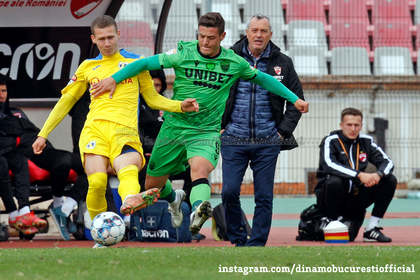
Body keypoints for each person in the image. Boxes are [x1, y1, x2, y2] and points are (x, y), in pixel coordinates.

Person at [91, 12, 309, 235]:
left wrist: (294, 99)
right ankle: (174, 199)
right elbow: (144, 63)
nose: (204, 42)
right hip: (174, 128)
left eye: (211, 37)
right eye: (201, 36)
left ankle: (198, 210)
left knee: (199, 169)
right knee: (152, 186)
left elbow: (265, 79)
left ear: (222, 36)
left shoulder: (233, 62)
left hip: (205, 130)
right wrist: (113, 79)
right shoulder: (183, 52)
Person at [32, 15, 199, 246]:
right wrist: (43, 134)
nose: (107, 42)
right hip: (95, 132)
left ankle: (131, 199)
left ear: (118, 34)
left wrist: (179, 106)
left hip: (125, 132)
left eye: (111, 37)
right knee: (98, 182)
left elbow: (152, 99)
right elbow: (66, 101)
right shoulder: (87, 67)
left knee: (127, 170)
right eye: (102, 39)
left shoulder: (137, 63)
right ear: (94, 39)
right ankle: (101, 236)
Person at [220, 15, 305, 246]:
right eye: (255, 30)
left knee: (264, 197)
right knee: (228, 192)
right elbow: (213, 92)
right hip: (233, 139)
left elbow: (297, 101)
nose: (259, 35)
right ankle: (237, 239)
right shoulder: (228, 58)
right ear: (246, 32)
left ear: (270, 35)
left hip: (268, 140)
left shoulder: (283, 62)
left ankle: (256, 243)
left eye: (264, 31)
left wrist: (282, 132)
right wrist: (220, 128)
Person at [315, 107, 396, 242]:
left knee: (390, 180)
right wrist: (359, 175)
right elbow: (329, 165)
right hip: (330, 197)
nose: (353, 129)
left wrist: (378, 175)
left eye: (356, 125)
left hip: (355, 197)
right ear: (341, 125)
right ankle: (331, 221)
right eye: (349, 125)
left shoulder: (366, 141)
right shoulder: (331, 140)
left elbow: (388, 162)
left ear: (361, 126)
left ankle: (371, 229)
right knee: (335, 181)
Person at [0, 75, 47, 236]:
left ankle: (25, 211)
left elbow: (30, 133)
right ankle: (13, 214)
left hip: (9, 152)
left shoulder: (13, 112)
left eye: (4, 90)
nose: (1, 94)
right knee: (2, 165)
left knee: (20, 161)